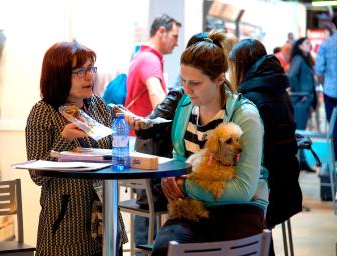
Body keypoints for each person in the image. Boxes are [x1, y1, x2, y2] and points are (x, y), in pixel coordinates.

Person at [126, 30, 268, 256]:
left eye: (195, 83)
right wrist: (169, 178)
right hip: (192, 208)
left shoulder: (245, 117)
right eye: (183, 81)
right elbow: (181, 160)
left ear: (220, 79)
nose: (187, 89)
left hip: (239, 210)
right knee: (164, 249)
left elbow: (242, 190)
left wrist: (185, 186)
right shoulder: (185, 107)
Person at [25, 41, 127, 256]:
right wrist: (64, 140)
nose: (90, 76)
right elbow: (37, 175)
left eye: (91, 69)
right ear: (59, 75)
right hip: (67, 223)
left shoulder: (98, 105)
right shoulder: (43, 112)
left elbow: (110, 155)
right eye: (80, 71)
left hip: (104, 216)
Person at [229, 38, 302, 255]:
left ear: (240, 65)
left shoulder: (251, 100)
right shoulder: (278, 90)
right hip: (285, 183)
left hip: (267, 191)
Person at [125, 14, 181, 120]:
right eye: (175, 36)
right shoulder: (150, 59)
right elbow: (155, 93)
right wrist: (169, 125)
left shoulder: (142, 55)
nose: (177, 43)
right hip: (143, 133)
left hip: (138, 131)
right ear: (161, 32)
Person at [288, 37, 317, 172]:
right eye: (306, 43)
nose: (309, 45)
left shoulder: (305, 60)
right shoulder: (299, 59)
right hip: (300, 101)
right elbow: (292, 76)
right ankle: (300, 162)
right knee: (299, 132)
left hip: (304, 101)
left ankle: (302, 161)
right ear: (299, 46)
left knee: (301, 132)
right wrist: (300, 93)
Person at [315, 16, 337, 160]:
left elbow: (319, 71)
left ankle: (335, 165)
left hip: (331, 93)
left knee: (334, 129)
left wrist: (324, 84)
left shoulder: (326, 44)